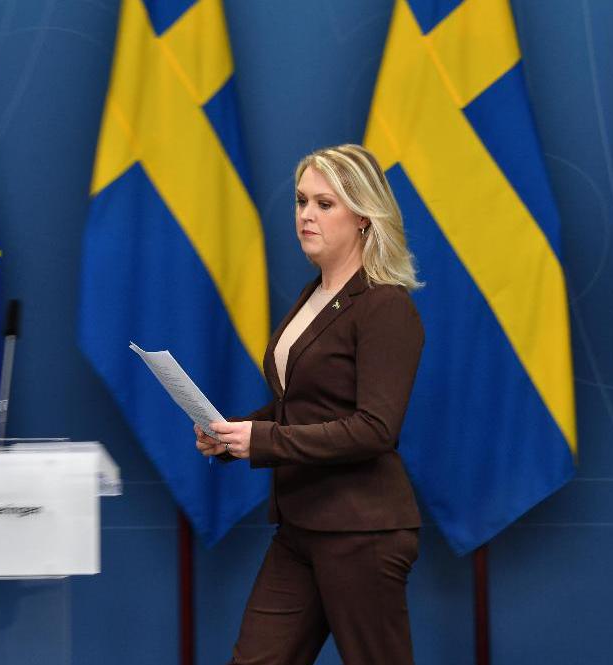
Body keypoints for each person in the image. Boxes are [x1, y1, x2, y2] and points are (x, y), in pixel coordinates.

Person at [194, 143, 425, 665]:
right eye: (301, 201)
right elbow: (300, 405)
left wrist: (263, 440)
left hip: (362, 532)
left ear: (364, 217)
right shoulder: (313, 294)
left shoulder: (386, 306)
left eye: (325, 204)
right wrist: (234, 434)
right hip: (301, 526)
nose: (305, 215)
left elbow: (374, 429)